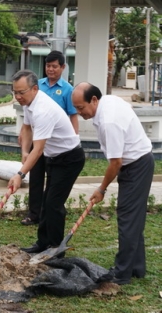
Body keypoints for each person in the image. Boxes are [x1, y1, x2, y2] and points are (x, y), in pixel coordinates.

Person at [72, 82, 154, 285]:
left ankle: (121, 273)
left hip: (136, 165)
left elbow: (115, 162)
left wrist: (101, 189)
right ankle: (136, 268)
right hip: (136, 162)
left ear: (93, 100)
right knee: (133, 219)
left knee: (127, 218)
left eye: (81, 107)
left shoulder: (109, 121)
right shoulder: (107, 101)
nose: (79, 112)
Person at [8, 69, 85, 255]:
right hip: (54, 157)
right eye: (15, 92)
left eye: (21, 92)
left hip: (70, 158)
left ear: (34, 88)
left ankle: (56, 249)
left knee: (53, 204)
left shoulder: (43, 110)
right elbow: (26, 128)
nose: (18, 96)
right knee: (46, 202)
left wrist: (20, 174)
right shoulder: (29, 103)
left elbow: (39, 149)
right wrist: (24, 151)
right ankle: (43, 243)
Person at [20, 50, 79, 226]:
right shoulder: (36, 86)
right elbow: (28, 123)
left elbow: (72, 115)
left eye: (54, 66)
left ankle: (52, 211)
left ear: (63, 67)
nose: (51, 69)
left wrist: (74, 138)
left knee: (53, 187)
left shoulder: (68, 90)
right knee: (36, 178)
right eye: (48, 66)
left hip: (56, 146)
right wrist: (24, 145)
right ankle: (34, 213)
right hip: (39, 140)